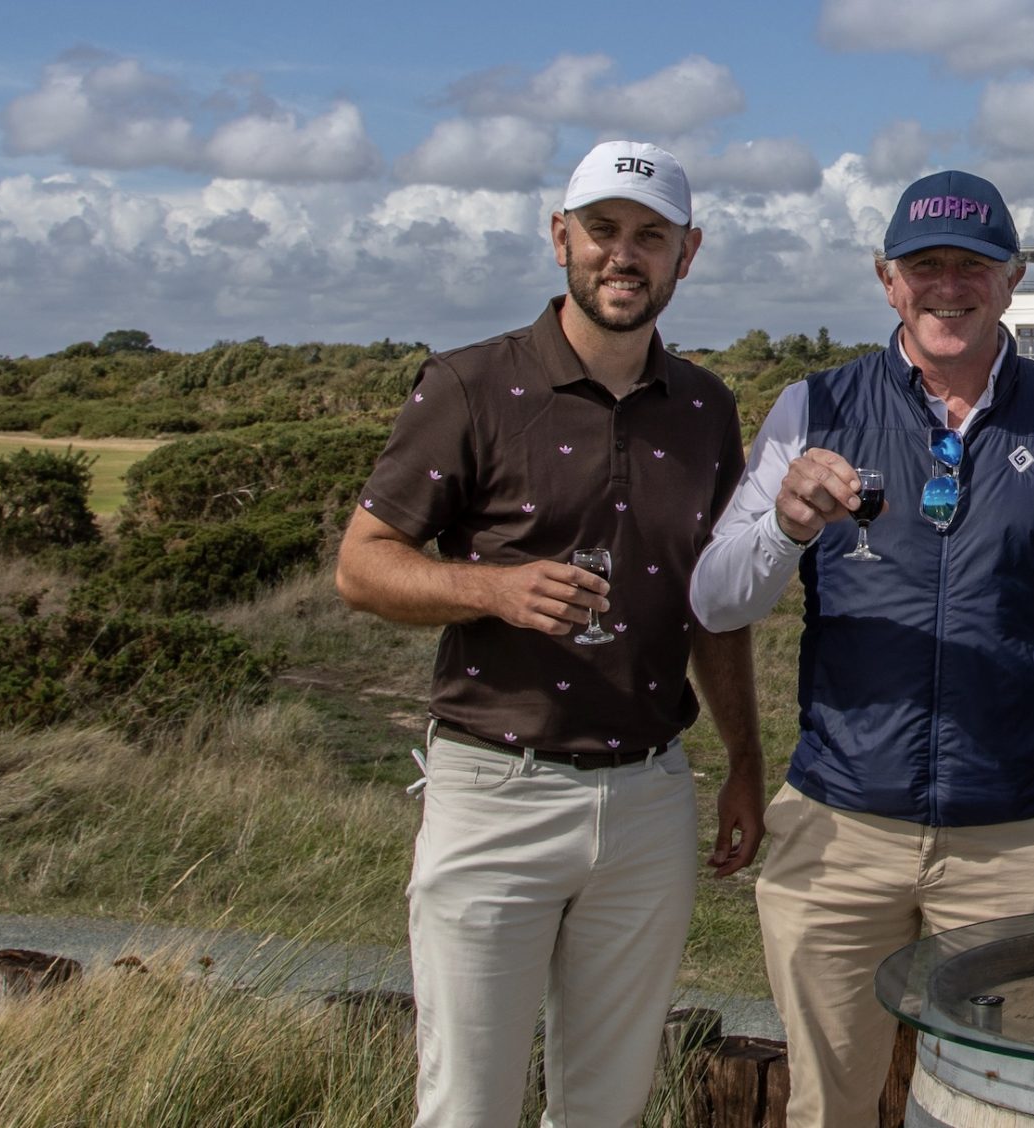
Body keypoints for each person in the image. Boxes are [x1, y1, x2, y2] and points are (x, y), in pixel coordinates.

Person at [688, 169, 1034, 1128]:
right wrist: (786, 523)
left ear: (1012, 278)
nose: (947, 285)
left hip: (1013, 844)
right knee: (826, 1112)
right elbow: (717, 598)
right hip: (836, 840)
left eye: (971, 264)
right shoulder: (813, 409)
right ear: (885, 279)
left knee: (1000, 1112)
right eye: (923, 265)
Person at [334, 140, 765, 1128]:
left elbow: (713, 603)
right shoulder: (470, 384)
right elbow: (362, 564)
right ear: (559, 237)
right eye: (603, 231)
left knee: (607, 1107)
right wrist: (491, 589)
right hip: (495, 791)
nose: (625, 255)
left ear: (686, 254)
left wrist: (743, 761)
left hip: (652, 796)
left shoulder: (705, 406)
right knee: (468, 1106)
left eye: (649, 237)